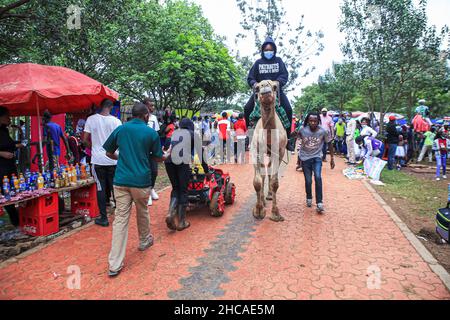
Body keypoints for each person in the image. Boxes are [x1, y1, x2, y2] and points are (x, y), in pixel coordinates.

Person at [103, 102, 168, 277]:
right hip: (141, 182)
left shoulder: (121, 129)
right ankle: (144, 240)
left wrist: (121, 157)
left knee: (120, 220)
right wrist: (166, 155)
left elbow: (108, 152)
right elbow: (158, 158)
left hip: (121, 181)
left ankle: (114, 264)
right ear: (146, 115)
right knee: (142, 211)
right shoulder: (150, 133)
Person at [244, 37, 294, 151]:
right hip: (260, 93)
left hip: (276, 92)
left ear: (274, 50)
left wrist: (278, 82)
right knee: (247, 109)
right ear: (262, 50)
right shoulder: (258, 63)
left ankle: (288, 139)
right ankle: (250, 134)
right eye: (266, 49)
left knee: (288, 109)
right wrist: (255, 84)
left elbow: (284, 75)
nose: (268, 51)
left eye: (270, 49)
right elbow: (250, 78)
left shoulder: (279, 61)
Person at [164, 118, 210, 231]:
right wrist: (206, 170)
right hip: (182, 161)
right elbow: (201, 154)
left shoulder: (175, 133)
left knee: (175, 188)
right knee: (183, 190)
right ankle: (181, 222)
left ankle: (170, 213)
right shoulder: (193, 134)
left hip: (168, 161)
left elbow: (167, 147)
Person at [83, 99, 122, 227]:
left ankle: (103, 218)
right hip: (113, 159)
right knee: (114, 187)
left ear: (101, 106)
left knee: (100, 188)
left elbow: (84, 140)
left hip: (98, 160)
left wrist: (94, 147)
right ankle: (120, 217)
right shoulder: (116, 121)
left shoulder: (91, 119)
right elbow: (120, 140)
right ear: (111, 107)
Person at [298, 112, 335, 213]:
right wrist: (296, 131)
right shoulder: (303, 130)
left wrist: (332, 158)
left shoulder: (323, 131)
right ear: (308, 121)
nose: (313, 123)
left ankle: (319, 202)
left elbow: (329, 143)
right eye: (311, 121)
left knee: (318, 177)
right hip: (305, 158)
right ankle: (309, 197)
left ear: (318, 121)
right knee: (308, 180)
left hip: (317, 157)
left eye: (315, 121)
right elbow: (294, 137)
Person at [0, 106, 25, 227]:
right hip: (1, 168)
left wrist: (18, 144)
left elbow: (8, 144)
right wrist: (1, 153)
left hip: (10, 165)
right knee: (7, 193)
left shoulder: (4, 130)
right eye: (7, 116)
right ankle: (15, 220)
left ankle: (18, 219)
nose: (10, 118)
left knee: (15, 190)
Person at [143, 98, 161, 207]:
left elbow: (157, 133)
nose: (152, 108)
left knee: (154, 171)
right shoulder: (140, 118)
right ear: (145, 106)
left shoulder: (154, 118)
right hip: (142, 149)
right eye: (151, 105)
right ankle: (147, 194)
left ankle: (151, 188)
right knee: (146, 171)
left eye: (153, 106)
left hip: (152, 148)